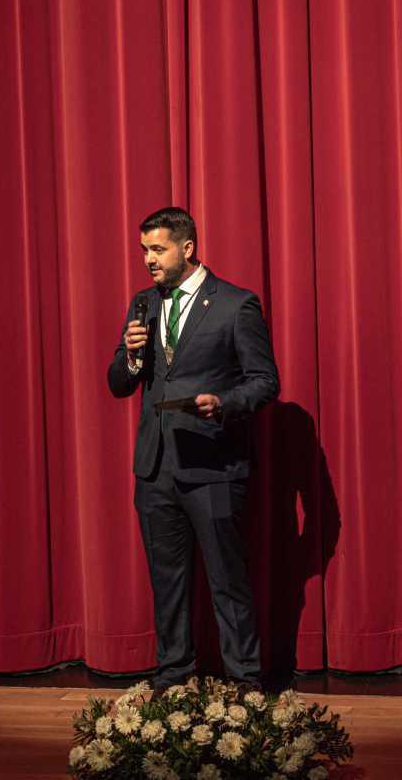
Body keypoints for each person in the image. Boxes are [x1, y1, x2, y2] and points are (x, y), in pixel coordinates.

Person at [107, 206, 280, 691]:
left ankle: (246, 684)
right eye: (143, 250)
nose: (148, 260)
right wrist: (132, 353)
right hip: (156, 468)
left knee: (227, 581)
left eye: (157, 249)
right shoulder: (143, 303)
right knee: (168, 585)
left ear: (188, 248)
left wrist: (222, 403)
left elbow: (265, 381)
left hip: (213, 464)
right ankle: (173, 678)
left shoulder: (235, 303)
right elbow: (119, 383)